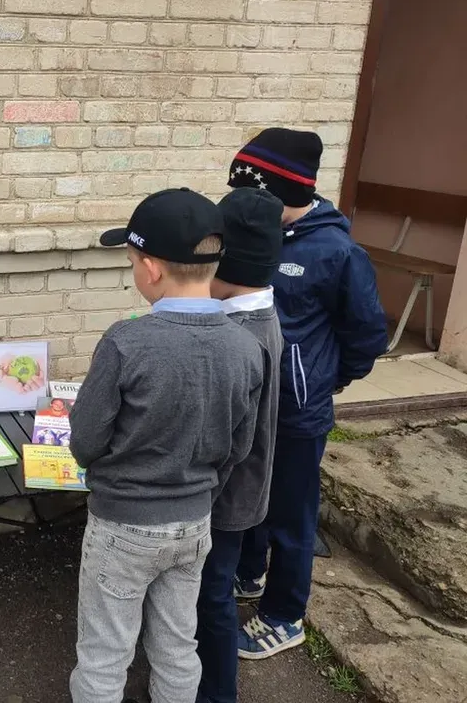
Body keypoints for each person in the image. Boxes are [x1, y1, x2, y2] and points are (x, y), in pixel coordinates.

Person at [66, 188, 265, 703]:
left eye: (132, 262)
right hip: (195, 523)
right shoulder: (247, 346)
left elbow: (86, 439)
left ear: (151, 269)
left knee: (105, 655)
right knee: (178, 647)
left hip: (122, 524)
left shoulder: (125, 341)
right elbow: (240, 446)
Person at [229, 128, 388, 659]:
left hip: (298, 409)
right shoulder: (255, 232)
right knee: (248, 493)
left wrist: (324, 379)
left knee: (290, 514)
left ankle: (284, 615)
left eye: (251, 193)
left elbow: (367, 334)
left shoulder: (337, 252)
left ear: (283, 192)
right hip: (249, 401)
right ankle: (249, 573)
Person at [196, 187, 285, 703]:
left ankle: (216, 692)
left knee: (212, 596)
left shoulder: (240, 336)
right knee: (211, 589)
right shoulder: (259, 315)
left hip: (225, 495)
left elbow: (223, 435)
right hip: (240, 487)